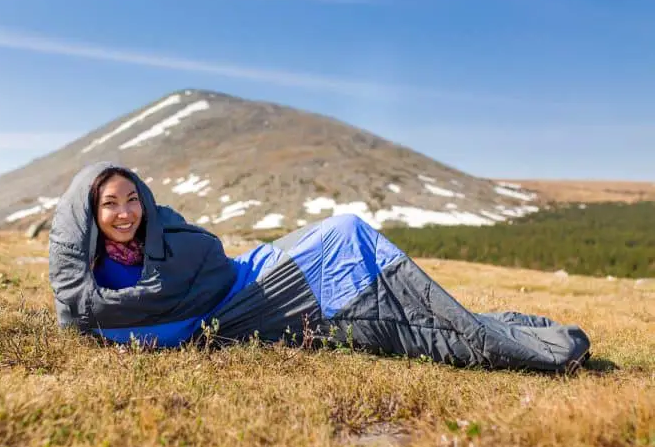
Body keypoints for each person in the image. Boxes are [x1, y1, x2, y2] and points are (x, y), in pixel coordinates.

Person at [48, 162, 591, 373]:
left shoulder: (167, 239)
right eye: (111, 205)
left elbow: (215, 265)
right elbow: (91, 318)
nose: (126, 213)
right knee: (351, 259)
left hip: (257, 280)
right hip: (254, 304)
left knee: (346, 235)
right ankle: (487, 334)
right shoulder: (91, 288)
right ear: (90, 216)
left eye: (132, 199)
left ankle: (489, 332)